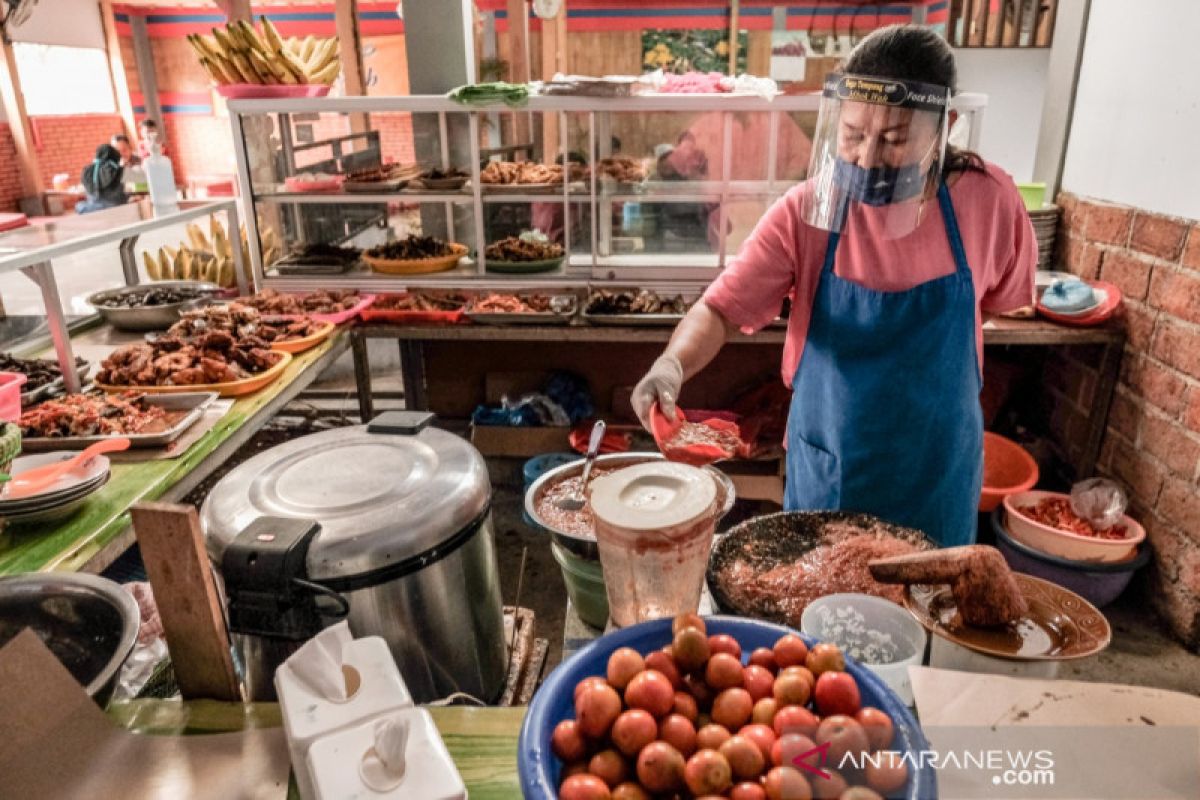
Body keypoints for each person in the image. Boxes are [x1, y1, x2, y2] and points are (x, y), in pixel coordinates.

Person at [630, 25, 1036, 548]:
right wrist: (671, 364)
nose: (867, 158)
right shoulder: (807, 212)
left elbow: (993, 303)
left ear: (945, 126)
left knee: (927, 612)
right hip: (833, 467)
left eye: (892, 139)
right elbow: (722, 309)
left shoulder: (991, 200)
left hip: (936, 471)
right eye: (852, 134)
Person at [75, 144, 128, 214]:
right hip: (117, 208)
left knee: (79, 206)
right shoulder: (118, 170)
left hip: (94, 209)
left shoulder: (87, 171)